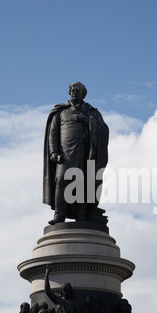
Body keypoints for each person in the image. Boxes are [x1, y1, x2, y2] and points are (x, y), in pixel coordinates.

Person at [43, 82, 109, 225]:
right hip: (65, 155)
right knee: (61, 181)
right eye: (73, 90)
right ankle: (59, 214)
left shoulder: (91, 112)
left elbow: (103, 129)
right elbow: (53, 133)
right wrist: (54, 152)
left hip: (86, 154)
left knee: (83, 183)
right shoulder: (61, 111)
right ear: (69, 92)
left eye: (78, 91)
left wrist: (88, 121)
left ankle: (81, 215)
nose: (75, 93)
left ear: (83, 94)